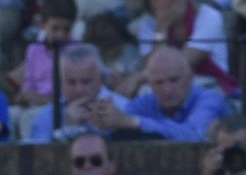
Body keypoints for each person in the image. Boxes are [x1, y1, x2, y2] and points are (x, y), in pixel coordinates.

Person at [87, 44, 226, 140]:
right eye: (159, 83)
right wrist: (101, 118)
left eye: (174, 80)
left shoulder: (209, 99)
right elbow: (120, 120)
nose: (167, 89)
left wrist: (134, 122)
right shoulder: (147, 102)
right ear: (150, 84)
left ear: (190, 78)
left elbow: (194, 135)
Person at [21, 42, 130, 141]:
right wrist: (69, 130)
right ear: (60, 82)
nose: (79, 89)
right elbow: (40, 157)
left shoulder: (124, 108)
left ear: (101, 79)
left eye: (86, 81)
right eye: (71, 82)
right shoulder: (47, 116)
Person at [129, 0, 234, 94]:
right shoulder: (147, 23)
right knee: (144, 93)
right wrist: (160, 29)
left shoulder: (209, 16)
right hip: (167, 86)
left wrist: (137, 78)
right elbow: (150, 65)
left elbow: (178, 65)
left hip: (209, 84)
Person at [8, 0, 77, 111]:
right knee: (11, 114)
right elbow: (28, 81)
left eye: (66, 30)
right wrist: (24, 96)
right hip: (33, 104)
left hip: (60, 107)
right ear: (42, 24)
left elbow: (71, 93)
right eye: (55, 28)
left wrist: (41, 99)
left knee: (29, 117)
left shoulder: (75, 52)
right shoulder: (34, 50)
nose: (60, 35)